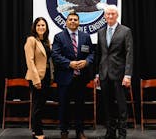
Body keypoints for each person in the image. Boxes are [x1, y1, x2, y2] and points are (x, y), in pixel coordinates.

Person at [52, 12, 94, 139]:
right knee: (64, 106)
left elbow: (92, 53)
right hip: (64, 78)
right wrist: (69, 63)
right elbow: (55, 55)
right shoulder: (59, 37)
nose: (73, 21)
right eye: (70, 19)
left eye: (75, 19)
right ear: (66, 22)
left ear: (79, 22)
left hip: (81, 78)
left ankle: (79, 131)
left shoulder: (86, 37)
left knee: (80, 107)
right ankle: (64, 131)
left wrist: (86, 62)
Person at [94, 4, 133, 139]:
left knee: (121, 106)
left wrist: (127, 75)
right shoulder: (100, 32)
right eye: (108, 14)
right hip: (104, 74)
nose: (110, 16)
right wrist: (97, 74)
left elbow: (129, 54)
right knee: (107, 105)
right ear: (104, 16)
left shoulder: (125, 31)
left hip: (119, 75)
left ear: (117, 15)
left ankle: (122, 134)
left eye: (113, 14)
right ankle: (110, 132)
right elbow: (99, 54)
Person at [24, 17, 53, 139]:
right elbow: (30, 61)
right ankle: (38, 132)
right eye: (38, 25)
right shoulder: (31, 40)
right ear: (34, 28)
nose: (41, 27)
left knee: (40, 105)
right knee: (37, 105)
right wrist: (36, 80)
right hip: (36, 77)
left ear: (46, 27)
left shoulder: (47, 41)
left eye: (43, 25)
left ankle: (35, 130)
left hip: (46, 76)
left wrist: (51, 76)